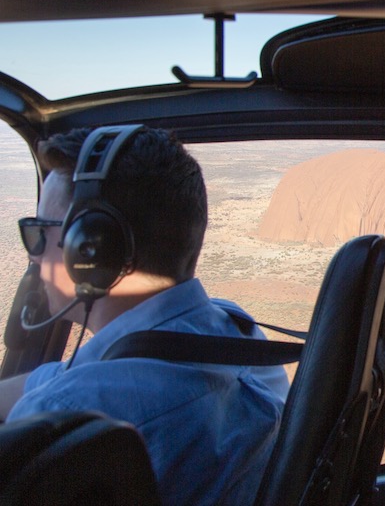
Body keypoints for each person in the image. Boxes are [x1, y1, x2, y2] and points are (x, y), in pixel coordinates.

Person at [0, 126, 289, 505]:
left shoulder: (66, 420)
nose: (32, 254)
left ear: (91, 248)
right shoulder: (236, 331)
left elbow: (68, 392)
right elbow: (61, 378)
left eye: (38, 232)